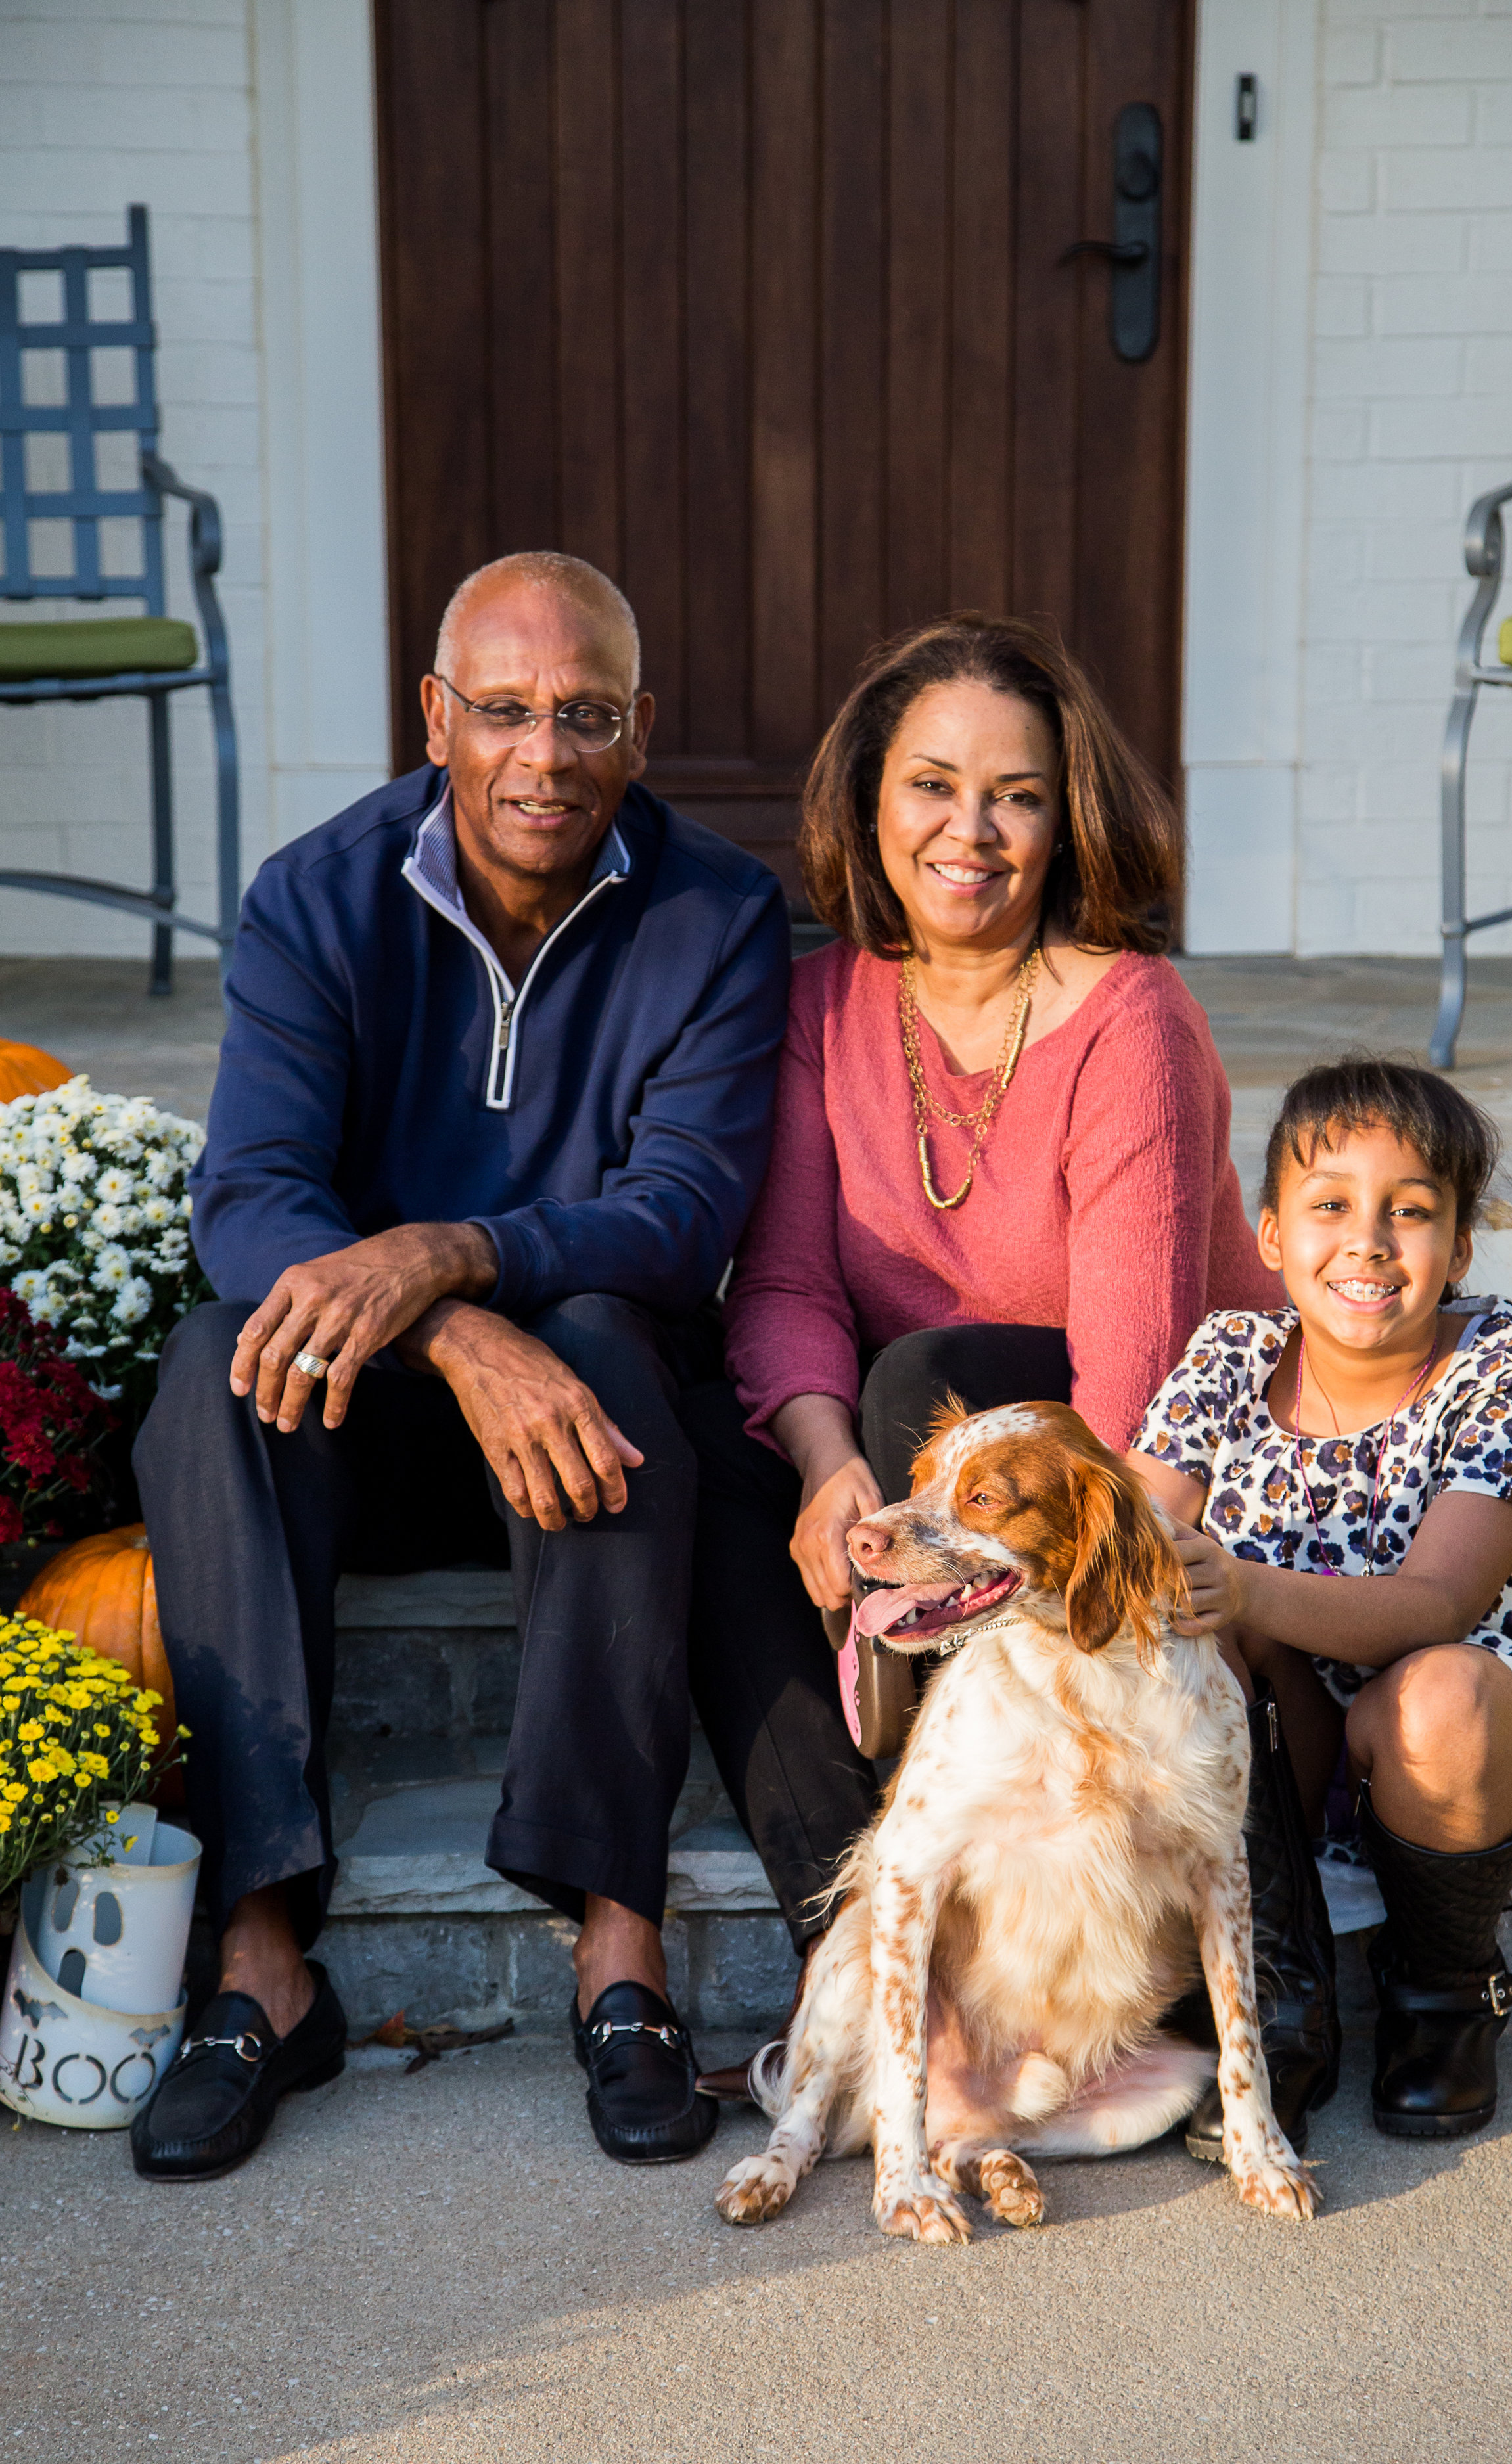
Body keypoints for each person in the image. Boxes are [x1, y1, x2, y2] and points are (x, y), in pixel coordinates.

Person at [130, 551, 796, 2178]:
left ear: (640, 728)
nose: (540, 755)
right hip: (353, 1425)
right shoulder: (317, 894)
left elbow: (684, 1207)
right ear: (435, 718)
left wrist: (462, 1249)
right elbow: (252, 1193)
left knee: (608, 1353)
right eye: (502, 710)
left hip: (581, 1429)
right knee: (224, 1360)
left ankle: (617, 1949)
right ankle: (264, 1957)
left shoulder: (718, 912)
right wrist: (445, 1314)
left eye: (583, 715)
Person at [684, 612, 1286, 2088]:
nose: (970, 831)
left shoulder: (1126, 1017)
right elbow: (779, 1287)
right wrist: (829, 1479)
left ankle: (1226, 1972)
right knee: (715, 1461)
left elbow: (1137, 1370)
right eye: (931, 786)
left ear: (1065, 816)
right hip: (927, 1478)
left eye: (1015, 794)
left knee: (913, 1380)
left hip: (1133, 1476)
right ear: (866, 803)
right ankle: (884, 1970)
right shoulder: (822, 1005)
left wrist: (921, 1496)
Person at [1131, 1057, 1512, 2147]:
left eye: (1413, 1211)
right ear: (1269, 1233)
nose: (1370, 1241)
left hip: (1452, 1757)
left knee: (1432, 1695)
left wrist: (1236, 1581)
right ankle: (1273, 1984)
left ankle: (1443, 1992)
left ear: (1462, 1249)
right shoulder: (1231, 1353)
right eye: (1331, 1204)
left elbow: (1438, 1601)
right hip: (1283, 1739)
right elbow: (1139, 1527)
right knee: (1192, 1617)